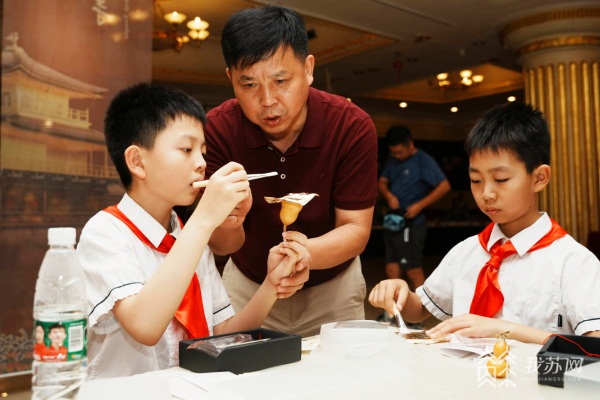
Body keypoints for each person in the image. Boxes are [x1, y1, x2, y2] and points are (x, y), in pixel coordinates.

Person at [77, 82, 310, 379]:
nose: (201, 164)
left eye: (202, 151)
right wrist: (204, 220)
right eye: (186, 149)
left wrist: (270, 285)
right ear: (137, 161)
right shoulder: (105, 232)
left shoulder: (187, 234)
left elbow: (221, 335)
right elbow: (145, 327)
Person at [201, 5, 378, 337]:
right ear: (230, 80)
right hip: (247, 286)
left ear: (308, 69)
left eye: (281, 80)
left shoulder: (350, 125)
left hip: (332, 287)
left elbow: (355, 230)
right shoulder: (217, 130)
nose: (267, 100)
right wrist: (229, 221)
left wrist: (300, 255)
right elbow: (223, 245)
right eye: (249, 84)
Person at [369, 102, 600, 344]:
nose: (487, 193)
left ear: (539, 178)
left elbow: (595, 347)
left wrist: (502, 329)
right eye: (476, 180)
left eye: (501, 179)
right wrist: (400, 293)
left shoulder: (572, 262)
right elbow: (422, 309)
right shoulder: (467, 252)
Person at [378, 126, 451, 292]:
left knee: (412, 270)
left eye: (399, 152)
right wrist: (389, 196)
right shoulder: (392, 159)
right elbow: (381, 182)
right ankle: (395, 312)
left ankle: (420, 312)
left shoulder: (423, 160)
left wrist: (420, 205)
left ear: (410, 144)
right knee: (392, 268)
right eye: (393, 152)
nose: (396, 156)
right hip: (393, 221)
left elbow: (444, 186)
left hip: (412, 224)